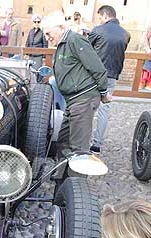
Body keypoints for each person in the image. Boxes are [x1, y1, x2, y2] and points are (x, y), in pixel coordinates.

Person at [41, 11, 109, 157]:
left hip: (83, 98)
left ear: (60, 27)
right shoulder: (62, 44)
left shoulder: (75, 40)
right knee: (63, 142)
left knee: (79, 148)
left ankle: (76, 179)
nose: (47, 38)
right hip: (72, 100)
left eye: (48, 33)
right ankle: (61, 176)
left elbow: (97, 67)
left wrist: (103, 92)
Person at [88, 5, 130, 153]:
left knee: (89, 106)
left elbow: (87, 50)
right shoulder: (126, 34)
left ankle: (82, 141)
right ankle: (96, 144)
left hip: (95, 75)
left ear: (105, 16)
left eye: (100, 17)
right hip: (112, 75)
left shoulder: (98, 30)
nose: (100, 20)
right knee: (104, 109)